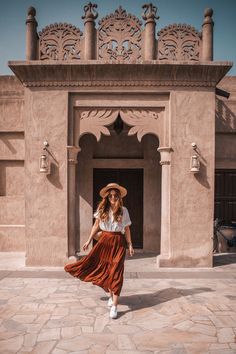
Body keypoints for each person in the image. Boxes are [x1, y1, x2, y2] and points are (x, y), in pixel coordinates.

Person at [64, 182, 134, 319]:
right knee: (101, 270)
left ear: (119, 197)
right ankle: (110, 293)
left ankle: (114, 305)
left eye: (115, 195)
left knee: (116, 272)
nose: (113, 198)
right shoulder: (102, 209)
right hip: (104, 242)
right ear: (107, 197)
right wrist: (89, 240)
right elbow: (96, 225)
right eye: (110, 196)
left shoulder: (124, 210)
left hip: (118, 242)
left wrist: (130, 244)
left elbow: (127, 229)